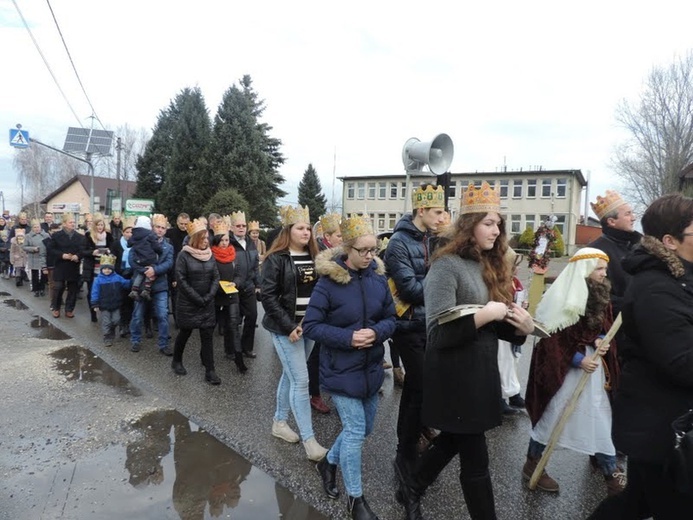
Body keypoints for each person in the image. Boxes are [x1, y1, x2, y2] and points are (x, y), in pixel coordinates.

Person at [398, 181, 534, 520]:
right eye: (488, 222)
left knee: (452, 441)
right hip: (454, 374)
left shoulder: (487, 264)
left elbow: (494, 325)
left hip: (480, 372)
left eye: (498, 223)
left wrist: (521, 328)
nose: (496, 229)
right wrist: (485, 313)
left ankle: (412, 485)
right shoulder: (446, 266)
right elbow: (438, 334)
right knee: (476, 462)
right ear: (469, 224)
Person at [590, 193, 693, 519]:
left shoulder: (681, 277)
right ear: (670, 241)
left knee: (635, 503)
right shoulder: (655, 287)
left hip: (667, 421)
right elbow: (682, 361)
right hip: (659, 428)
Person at [304, 215, 396, 520]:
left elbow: (390, 319)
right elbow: (312, 326)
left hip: (370, 369)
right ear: (347, 250)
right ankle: (355, 500)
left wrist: (377, 333)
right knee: (356, 430)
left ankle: (328, 462)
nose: (371, 256)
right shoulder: (328, 283)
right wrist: (347, 337)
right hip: (340, 369)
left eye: (374, 250)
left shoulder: (378, 279)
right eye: (364, 251)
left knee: (365, 428)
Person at [524, 247, 624, 496]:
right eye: (599, 269)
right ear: (585, 269)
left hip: (594, 371)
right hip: (565, 372)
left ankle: (610, 472)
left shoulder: (601, 294)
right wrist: (579, 359)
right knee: (554, 416)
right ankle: (533, 462)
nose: (603, 273)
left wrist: (602, 339)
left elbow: (604, 327)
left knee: (600, 417)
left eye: (604, 268)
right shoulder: (562, 296)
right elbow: (552, 340)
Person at [384, 184, 447, 482]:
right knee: (419, 384)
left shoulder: (433, 239)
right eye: (437, 212)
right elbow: (409, 289)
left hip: (429, 322)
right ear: (421, 211)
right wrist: (444, 291)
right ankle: (404, 449)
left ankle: (414, 434)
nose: (442, 217)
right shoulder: (398, 242)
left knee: (418, 386)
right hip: (407, 324)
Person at [261, 204, 327, 462]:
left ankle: (279, 423)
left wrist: (311, 322)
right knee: (301, 380)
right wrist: (290, 326)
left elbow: (320, 293)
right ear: (288, 231)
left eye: (308, 228)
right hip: (284, 328)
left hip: (308, 327)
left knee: (290, 377)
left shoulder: (315, 257)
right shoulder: (276, 259)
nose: (306, 232)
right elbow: (268, 296)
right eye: (300, 228)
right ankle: (310, 442)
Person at [171, 218, 221, 385]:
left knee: (207, 336)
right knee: (185, 333)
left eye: (207, 238)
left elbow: (216, 277)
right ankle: (176, 360)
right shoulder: (184, 255)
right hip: (188, 303)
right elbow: (181, 280)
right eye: (203, 238)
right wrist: (197, 298)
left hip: (206, 303)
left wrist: (208, 297)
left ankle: (210, 370)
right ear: (195, 238)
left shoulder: (210, 255)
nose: (206, 241)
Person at [308, 212, 344, 415]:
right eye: (339, 236)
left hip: (339, 312)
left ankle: (337, 393)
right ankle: (315, 394)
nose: (342, 239)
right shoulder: (319, 254)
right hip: (323, 311)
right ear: (327, 238)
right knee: (317, 354)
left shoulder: (344, 254)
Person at [587, 190, 641, 317]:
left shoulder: (640, 246)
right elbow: (596, 296)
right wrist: (636, 306)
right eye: (628, 214)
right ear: (612, 221)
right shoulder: (594, 252)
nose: (633, 218)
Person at [129, 214, 173, 355]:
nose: (160, 230)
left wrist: (155, 270)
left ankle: (163, 344)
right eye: (158, 227)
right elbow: (132, 259)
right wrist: (145, 271)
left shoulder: (168, 247)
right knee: (137, 315)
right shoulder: (141, 240)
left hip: (160, 285)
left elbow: (169, 263)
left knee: (162, 315)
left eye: (163, 228)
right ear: (152, 228)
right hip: (141, 284)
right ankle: (135, 340)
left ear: (166, 230)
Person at [210, 218, 247, 374]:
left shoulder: (234, 255)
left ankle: (238, 359)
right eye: (221, 240)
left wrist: (235, 283)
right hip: (215, 295)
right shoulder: (210, 255)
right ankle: (206, 358)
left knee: (233, 326)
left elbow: (239, 274)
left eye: (226, 239)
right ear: (216, 240)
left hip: (231, 295)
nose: (224, 243)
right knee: (210, 327)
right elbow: (209, 276)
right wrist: (218, 285)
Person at [228, 211, 261, 358]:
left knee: (252, 316)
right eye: (238, 226)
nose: (241, 228)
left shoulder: (250, 243)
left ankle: (247, 347)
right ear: (232, 227)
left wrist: (258, 284)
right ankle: (231, 349)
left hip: (248, 286)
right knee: (232, 320)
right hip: (232, 287)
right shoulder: (227, 242)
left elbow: (255, 266)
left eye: (243, 225)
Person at [90, 254, 131, 347]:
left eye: (109, 269)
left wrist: (133, 281)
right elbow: (94, 292)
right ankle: (107, 337)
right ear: (101, 269)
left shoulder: (117, 277)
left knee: (116, 320)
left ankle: (111, 330)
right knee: (106, 322)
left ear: (112, 269)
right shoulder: (98, 280)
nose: (107, 270)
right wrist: (95, 304)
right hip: (104, 305)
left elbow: (126, 283)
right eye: (105, 269)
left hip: (116, 304)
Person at [51, 216, 86, 318]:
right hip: (60, 265)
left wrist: (78, 256)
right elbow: (52, 249)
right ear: (64, 223)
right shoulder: (57, 235)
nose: (73, 224)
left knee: (73, 289)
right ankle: (56, 308)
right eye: (70, 222)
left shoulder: (80, 237)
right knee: (58, 287)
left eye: (73, 222)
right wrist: (62, 255)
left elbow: (82, 250)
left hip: (73, 265)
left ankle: (69, 309)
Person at [83, 214, 114, 322]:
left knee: (105, 290)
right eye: (98, 225)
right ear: (94, 226)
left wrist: (109, 251)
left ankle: (104, 311)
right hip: (92, 268)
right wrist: (92, 252)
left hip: (105, 267)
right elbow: (83, 251)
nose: (100, 227)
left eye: (102, 225)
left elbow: (113, 248)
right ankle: (93, 313)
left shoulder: (109, 236)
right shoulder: (88, 236)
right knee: (92, 291)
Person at [111, 216, 136, 338]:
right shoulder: (116, 244)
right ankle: (122, 324)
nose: (129, 234)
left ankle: (129, 324)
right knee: (122, 301)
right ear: (123, 232)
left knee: (131, 302)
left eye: (131, 232)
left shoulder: (136, 244)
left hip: (132, 275)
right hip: (120, 275)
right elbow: (112, 260)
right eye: (127, 232)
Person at [127, 216, 162, 302]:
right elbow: (156, 246)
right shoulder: (150, 234)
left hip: (138, 259)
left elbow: (129, 244)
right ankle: (147, 289)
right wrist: (160, 251)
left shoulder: (135, 235)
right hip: (149, 258)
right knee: (150, 270)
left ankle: (134, 289)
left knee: (140, 273)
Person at [166, 212, 191, 326]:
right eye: (181, 223)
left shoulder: (192, 234)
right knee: (175, 296)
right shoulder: (170, 233)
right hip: (174, 266)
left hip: (189, 267)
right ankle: (178, 320)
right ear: (177, 222)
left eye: (186, 224)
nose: (183, 226)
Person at [23, 219, 49, 297]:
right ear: (32, 228)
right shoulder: (28, 236)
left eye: (38, 227)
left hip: (43, 257)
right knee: (34, 274)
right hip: (33, 257)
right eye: (35, 227)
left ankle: (42, 288)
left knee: (43, 274)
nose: (37, 229)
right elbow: (24, 247)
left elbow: (50, 245)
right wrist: (33, 249)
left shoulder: (46, 235)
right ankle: (36, 289)